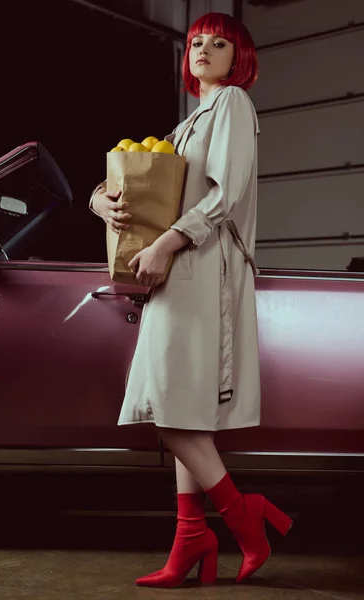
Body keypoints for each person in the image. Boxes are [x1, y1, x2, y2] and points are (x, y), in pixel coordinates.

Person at [90, 11, 293, 589]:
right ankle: (189, 538)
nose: (203, 49)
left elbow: (225, 192)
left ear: (239, 57)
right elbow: (146, 182)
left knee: (172, 403)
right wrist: (98, 200)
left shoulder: (231, 104)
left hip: (201, 267)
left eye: (219, 43)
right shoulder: (185, 125)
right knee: (180, 403)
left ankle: (239, 515)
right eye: (196, 42)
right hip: (174, 268)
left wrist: (166, 243)